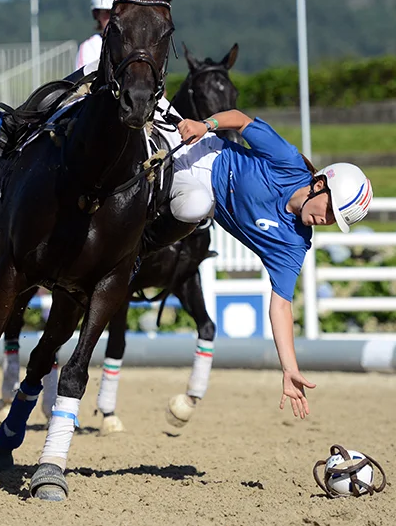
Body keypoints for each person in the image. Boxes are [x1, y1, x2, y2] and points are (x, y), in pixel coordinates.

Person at [159, 111, 373, 419]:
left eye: (332, 221)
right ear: (321, 184)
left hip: (195, 194)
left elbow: (281, 306)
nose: (324, 221)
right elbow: (241, 120)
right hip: (199, 148)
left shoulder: (294, 243)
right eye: (329, 211)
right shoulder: (288, 160)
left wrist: (290, 369)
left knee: (196, 204)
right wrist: (204, 126)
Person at [75, 0, 114, 70]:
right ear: (97, 15)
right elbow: (84, 83)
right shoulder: (89, 47)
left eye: (116, 12)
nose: (112, 17)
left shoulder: (133, 45)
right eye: (107, 12)